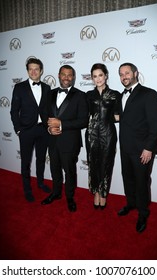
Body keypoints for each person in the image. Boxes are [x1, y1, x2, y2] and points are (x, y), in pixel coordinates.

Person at [118, 62, 157, 233]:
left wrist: (149, 148)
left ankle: (143, 213)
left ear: (136, 73)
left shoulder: (149, 94)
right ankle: (131, 204)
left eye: (127, 73)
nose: (124, 77)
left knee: (141, 182)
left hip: (142, 150)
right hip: (125, 148)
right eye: (121, 74)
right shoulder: (121, 95)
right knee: (127, 178)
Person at [41, 65, 88, 212]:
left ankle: (69, 197)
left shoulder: (80, 95)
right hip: (52, 140)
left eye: (69, 75)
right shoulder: (50, 93)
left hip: (70, 141)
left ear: (73, 77)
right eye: (63, 74)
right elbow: (44, 114)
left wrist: (61, 124)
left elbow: (83, 121)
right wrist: (49, 128)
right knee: (54, 169)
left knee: (69, 171)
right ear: (58, 75)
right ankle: (55, 193)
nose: (66, 77)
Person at [10, 58, 51, 202]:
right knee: (26, 162)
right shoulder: (19, 87)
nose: (33, 72)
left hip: (43, 130)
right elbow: (14, 111)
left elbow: (48, 110)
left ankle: (40, 183)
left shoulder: (47, 88)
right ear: (27, 70)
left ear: (41, 71)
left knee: (41, 159)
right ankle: (27, 189)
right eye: (30, 69)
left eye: (36, 69)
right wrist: (18, 130)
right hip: (26, 131)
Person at [85, 63, 120, 209]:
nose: (98, 79)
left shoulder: (115, 94)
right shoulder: (88, 95)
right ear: (92, 79)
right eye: (95, 76)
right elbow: (84, 115)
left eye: (100, 75)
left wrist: (103, 119)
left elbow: (118, 116)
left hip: (108, 134)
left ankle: (103, 193)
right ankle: (96, 193)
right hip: (91, 135)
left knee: (106, 164)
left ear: (105, 76)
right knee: (93, 164)